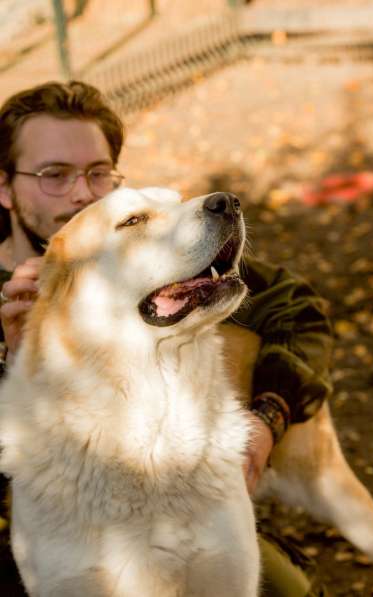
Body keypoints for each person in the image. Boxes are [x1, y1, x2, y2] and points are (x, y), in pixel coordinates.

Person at [0, 81, 332, 596]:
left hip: (186, 497)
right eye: (53, 175)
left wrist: (268, 417)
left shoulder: (163, 259)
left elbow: (299, 311)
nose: (81, 193)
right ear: (4, 186)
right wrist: (24, 363)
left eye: (97, 172)